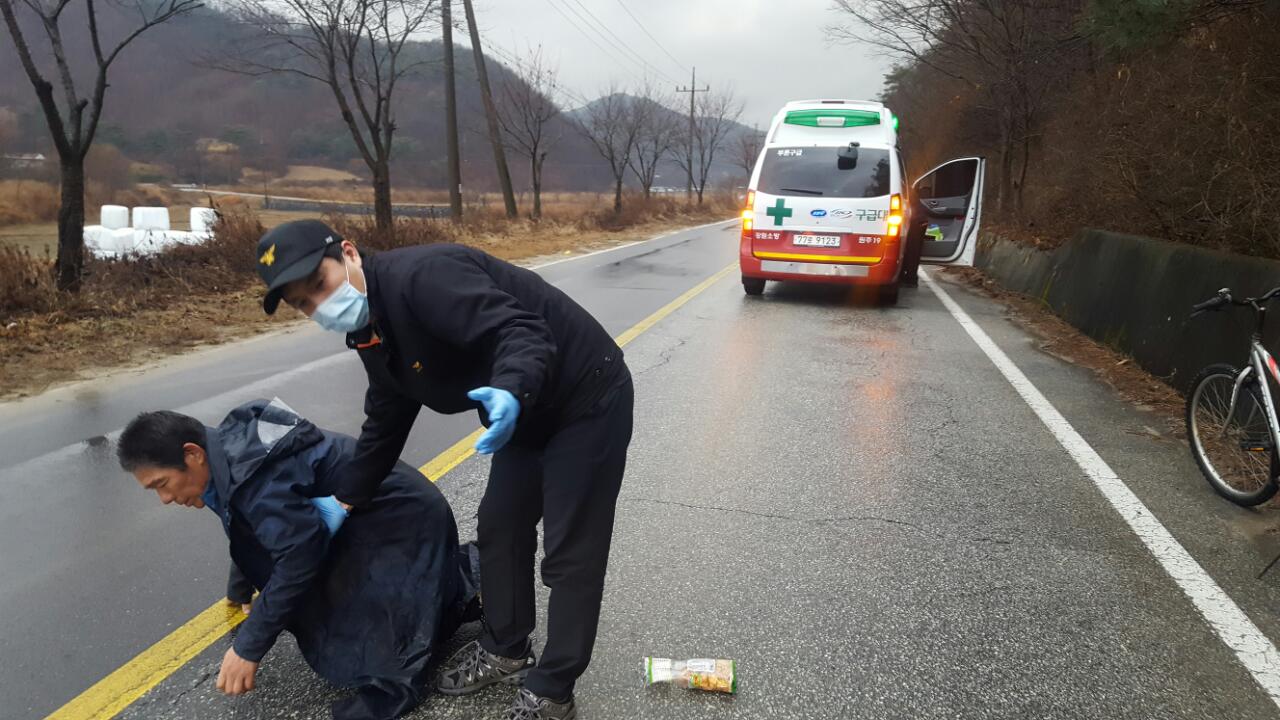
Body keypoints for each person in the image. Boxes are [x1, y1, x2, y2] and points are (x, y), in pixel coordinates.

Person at [255, 220, 634, 720]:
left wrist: (511, 388)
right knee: (500, 527)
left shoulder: (423, 278)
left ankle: (553, 690)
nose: (320, 305)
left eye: (319, 285)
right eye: (304, 303)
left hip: (584, 395)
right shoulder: (370, 329)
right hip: (524, 411)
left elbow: (520, 330)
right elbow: (388, 413)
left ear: (348, 253)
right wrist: (345, 497)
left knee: (570, 551)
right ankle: (506, 649)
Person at [117, 398, 479, 720]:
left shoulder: (250, 476)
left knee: (369, 610)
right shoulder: (224, 457)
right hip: (377, 515)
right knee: (339, 590)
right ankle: (468, 589)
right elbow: (248, 527)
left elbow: (298, 558)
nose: (165, 499)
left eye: (162, 484)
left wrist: (248, 648)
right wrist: (240, 586)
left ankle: (405, 669)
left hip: (403, 520)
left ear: (192, 454)